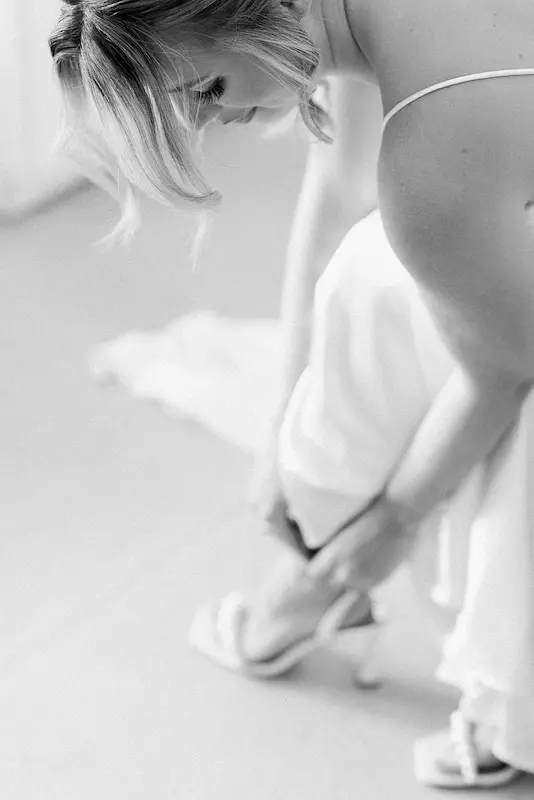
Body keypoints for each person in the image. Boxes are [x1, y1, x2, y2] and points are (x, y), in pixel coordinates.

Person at [49, 0, 534, 789]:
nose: (213, 122)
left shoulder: (431, 156)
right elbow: (338, 191)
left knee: (384, 288)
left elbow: (506, 370)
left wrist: (392, 524)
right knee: (377, 282)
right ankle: (313, 564)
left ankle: (324, 586)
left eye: (206, 89)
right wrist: (279, 429)